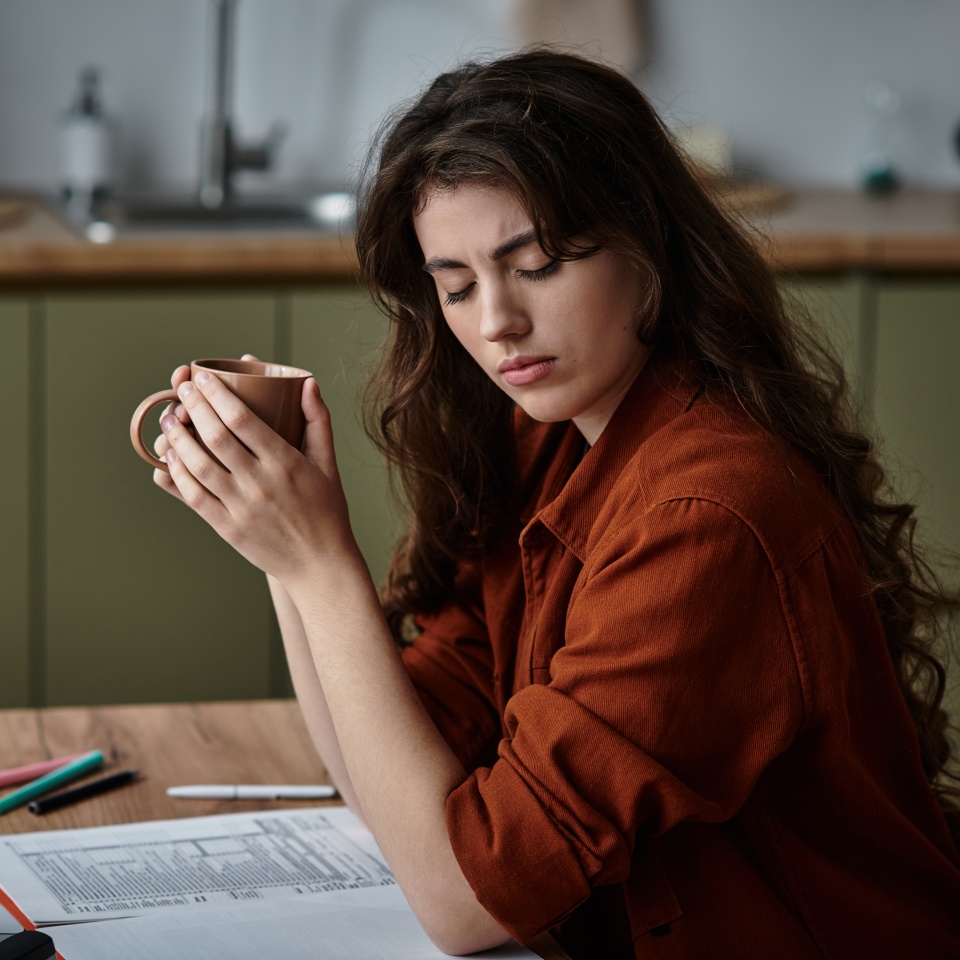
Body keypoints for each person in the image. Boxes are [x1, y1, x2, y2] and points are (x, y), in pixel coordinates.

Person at [150, 49, 960, 959]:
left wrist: (319, 564)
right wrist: (282, 548)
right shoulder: (543, 437)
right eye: (455, 286)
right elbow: (396, 780)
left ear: (648, 248)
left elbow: (464, 901)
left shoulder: (708, 517)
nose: (494, 321)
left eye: (535, 265)